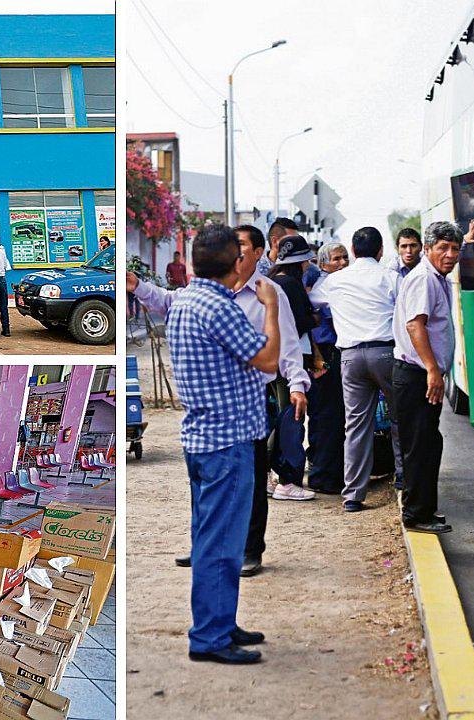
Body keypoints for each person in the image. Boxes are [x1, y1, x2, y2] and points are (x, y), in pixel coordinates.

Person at [130, 223, 311, 577]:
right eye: (233, 248)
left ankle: (248, 550)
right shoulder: (209, 297)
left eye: (242, 247)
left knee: (253, 481)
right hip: (211, 405)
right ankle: (206, 546)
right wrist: (138, 287)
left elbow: (284, 345)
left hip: (251, 398)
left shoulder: (268, 294)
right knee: (206, 484)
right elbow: (169, 301)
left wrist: (297, 383)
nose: (237, 254)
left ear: (258, 253)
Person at [165, 223, 279, 665]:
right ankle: (210, 637)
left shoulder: (189, 299)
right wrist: (270, 308)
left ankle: (221, 623)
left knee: (213, 539)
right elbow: (267, 359)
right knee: (221, 545)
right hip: (226, 442)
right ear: (236, 263)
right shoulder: (221, 307)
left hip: (205, 438)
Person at [309, 226, 404, 512]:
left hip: (349, 357)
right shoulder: (390, 277)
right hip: (385, 353)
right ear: (380, 251)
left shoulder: (335, 281)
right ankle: (403, 478)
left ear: (352, 250)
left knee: (356, 426)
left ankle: (353, 496)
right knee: (400, 418)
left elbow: (313, 300)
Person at [393, 221, 461, 534]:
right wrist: (433, 369)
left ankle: (423, 509)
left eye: (455, 249)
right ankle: (416, 514)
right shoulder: (424, 279)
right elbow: (415, 326)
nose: (450, 255)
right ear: (428, 249)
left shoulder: (436, 278)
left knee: (428, 443)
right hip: (416, 374)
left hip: (421, 373)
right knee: (420, 445)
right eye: (442, 248)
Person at [267, 236, 328, 497]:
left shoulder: (270, 282)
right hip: (292, 359)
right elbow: (299, 322)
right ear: (302, 262)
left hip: (272, 358)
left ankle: (269, 473)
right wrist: (315, 317)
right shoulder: (290, 285)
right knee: (292, 418)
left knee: (280, 416)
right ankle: (287, 480)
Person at [304, 241, 350, 493]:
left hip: (331, 355)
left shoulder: (337, 284)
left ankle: (328, 473)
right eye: (336, 259)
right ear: (323, 264)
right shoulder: (324, 287)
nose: (342, 263)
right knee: (327, 417)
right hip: (324, 357)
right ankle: (323, 477)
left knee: (332, 417)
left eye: (345, 258)